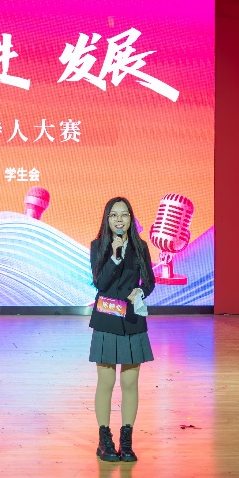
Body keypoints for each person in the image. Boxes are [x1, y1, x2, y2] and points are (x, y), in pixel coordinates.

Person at [89, 197, 156, 463]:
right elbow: (100, 282)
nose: (119, 220)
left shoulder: (141, 247)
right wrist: (115, 258)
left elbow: (149, 281)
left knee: (130, 383)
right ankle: (104, 440)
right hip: (106, 319)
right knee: (106, 382)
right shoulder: (99, 247)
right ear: (107, 219)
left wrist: (141, 291)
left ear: (130, 219)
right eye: (114, 215)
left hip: (131, 320)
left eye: (124, 215)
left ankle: (126, 440)